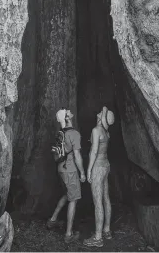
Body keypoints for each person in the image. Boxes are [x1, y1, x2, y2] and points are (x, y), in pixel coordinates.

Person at [47, 109, 86, 243]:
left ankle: (52, 220)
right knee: (73, 200)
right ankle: (68, 235)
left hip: (60, 169)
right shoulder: (74, 134)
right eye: (67, 111)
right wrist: (82, 172)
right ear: (68, 118)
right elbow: (77, 156)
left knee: (66, 194)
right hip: (70, 170)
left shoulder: (60, 133)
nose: (69, 110)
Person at [83, 106, 115, 248]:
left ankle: (97, 238)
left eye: (102, 113)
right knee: (106, 198)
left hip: (98, 167)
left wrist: (89, 170)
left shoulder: (96, 131)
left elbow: (94, 151)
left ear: (101, 118)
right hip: (106, 165)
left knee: (98, 202)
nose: (99, 112)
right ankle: (107, 230)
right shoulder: (106, 132)